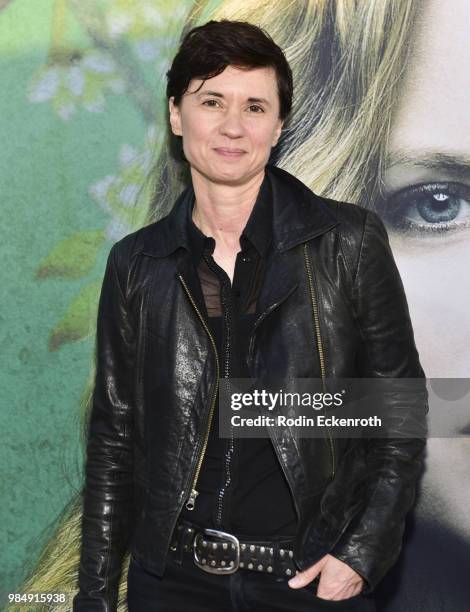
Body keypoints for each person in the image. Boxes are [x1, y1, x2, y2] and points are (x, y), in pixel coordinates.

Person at [73, 19, 428, 612]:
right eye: (212, 101)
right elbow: (115, 437)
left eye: (255, 106)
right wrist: (96, 595)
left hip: (307, 581)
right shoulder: (137, 263)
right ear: (176, 115)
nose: (234, 127)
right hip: (174, 583)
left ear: (278, 125)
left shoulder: (346, 242)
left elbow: (401, 412)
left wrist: (360, 555)